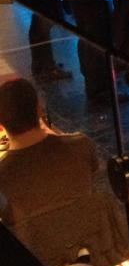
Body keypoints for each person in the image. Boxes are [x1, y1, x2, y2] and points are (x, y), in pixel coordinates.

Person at [0, 78, 99, 228]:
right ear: (39, 109)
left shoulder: (3, 173)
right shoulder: (81, 144)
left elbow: (9, 220)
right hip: (89, 235)